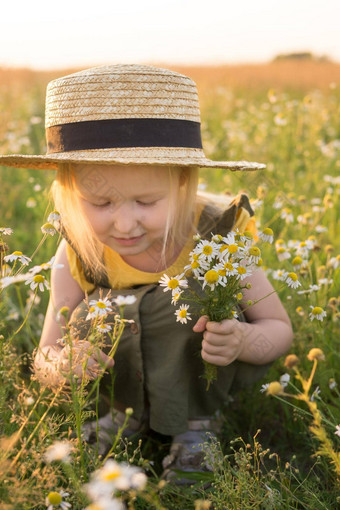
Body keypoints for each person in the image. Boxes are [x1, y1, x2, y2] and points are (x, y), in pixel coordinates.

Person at [0, 64, 293, 481]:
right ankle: (125, 417)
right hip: (120, 391)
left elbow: (279, 328)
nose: (124, 224)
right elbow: (45, 352)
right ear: (69, 194)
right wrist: (62, 365)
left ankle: (197, 428)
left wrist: (243, 339)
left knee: (189, 298)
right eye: (100, 204)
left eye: (146, 201)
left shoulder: (217, 236)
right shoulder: (78, 250)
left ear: (182, 184)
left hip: (201, 386)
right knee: (89, 313)